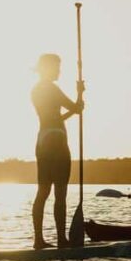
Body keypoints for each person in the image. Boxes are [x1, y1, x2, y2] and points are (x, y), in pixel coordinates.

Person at [31, 54, 84, 249]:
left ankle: (38, 239)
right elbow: (76, 108)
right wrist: (79, 93)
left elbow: (55, 116)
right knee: (60, 193)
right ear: (48, 68)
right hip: (57, 141)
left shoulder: (36, 89)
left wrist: (75, 106)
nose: (59, 71)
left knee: (43, 191)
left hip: (43, 138)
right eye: (57, 67)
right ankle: (62, 239)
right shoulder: (51, 88)